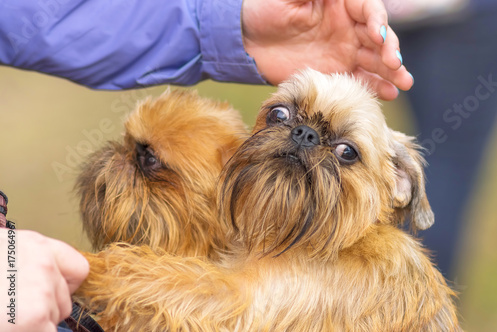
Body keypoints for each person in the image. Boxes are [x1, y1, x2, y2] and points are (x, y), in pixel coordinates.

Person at [0, 0, 413, 331]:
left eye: (345, 153)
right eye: (281, 117)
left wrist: (59, 269)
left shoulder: (348, 270)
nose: (303, 139)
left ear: (398, 185)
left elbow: (220, 305)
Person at [386, 0, 497, 279]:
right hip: (461, 14)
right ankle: (414, 309)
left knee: (430, 151)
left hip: (391, 12)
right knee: (447, 166)